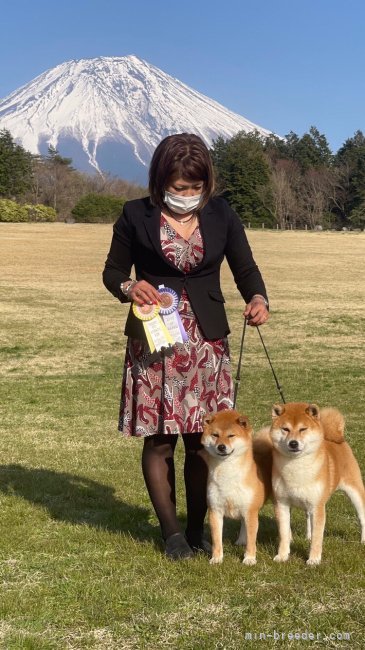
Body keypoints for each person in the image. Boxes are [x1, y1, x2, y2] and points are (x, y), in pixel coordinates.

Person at [102, 133, 269, 560]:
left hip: (206, 344)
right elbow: (113, 270)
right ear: (160, 183)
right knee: (159, 442)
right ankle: (172, 533)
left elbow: (245, 266)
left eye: (195, 189)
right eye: (178, 189)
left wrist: (258, 297)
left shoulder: (221, 214)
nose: (188, 196)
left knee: (202, 441)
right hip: (155, 343)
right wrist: (129, 285)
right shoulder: (134, 215)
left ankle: (198, 528)